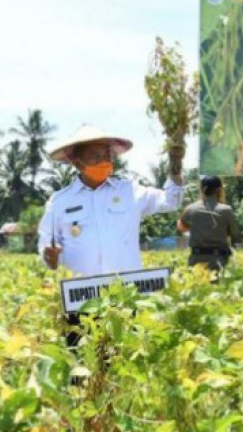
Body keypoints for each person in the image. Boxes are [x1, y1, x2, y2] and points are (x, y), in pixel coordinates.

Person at [37, 124, 184, 345]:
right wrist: (49, 256)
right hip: (81, 300)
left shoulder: (130, 191)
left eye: (107, 155)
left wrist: (175, 165)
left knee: (125, 366)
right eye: (95, 157)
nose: (104, 162)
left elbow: (171, 201)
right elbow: (46, 247)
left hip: (125, 298)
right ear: (77, 162)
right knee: (82, 370)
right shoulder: (59, 202)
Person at [177, 175, 240, 274]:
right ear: (219, 190)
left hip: (195, 261)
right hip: (219, 261)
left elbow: (181, 227)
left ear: (202, 189)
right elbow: (235, 235)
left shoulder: (190, 209)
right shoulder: (226, 210)